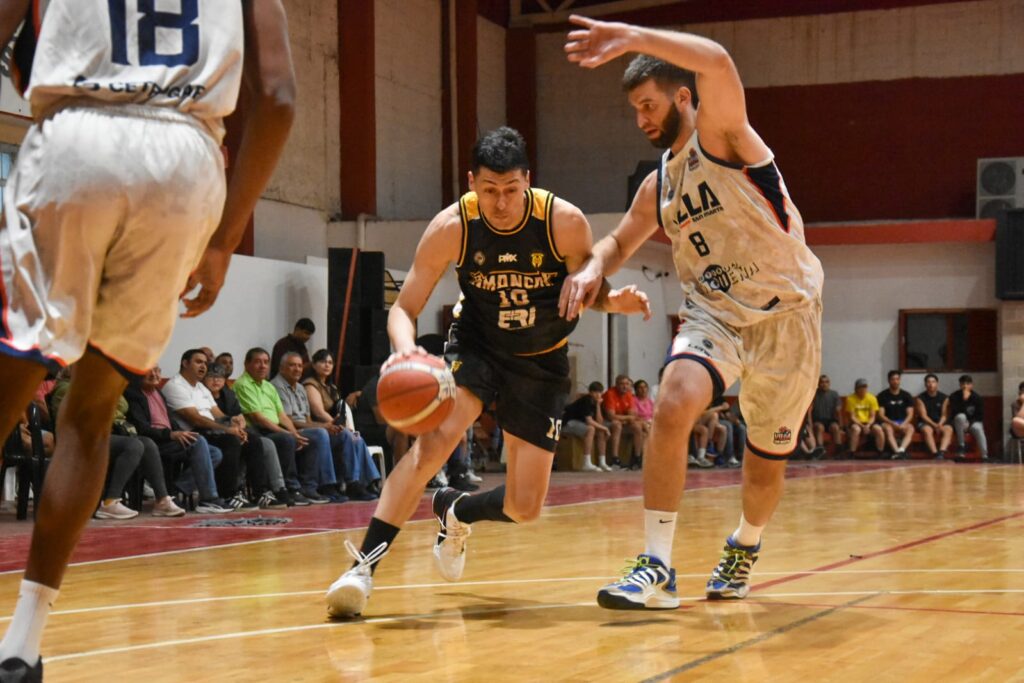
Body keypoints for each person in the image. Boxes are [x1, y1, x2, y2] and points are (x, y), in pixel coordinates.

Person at [0, 1, 294, 677]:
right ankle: (22, 644)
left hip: (77, 136)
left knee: (9, 385)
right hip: (185, 164)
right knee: (91, 411)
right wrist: (224, 239)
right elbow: (278, 99)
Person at [324, 126, 651, 618]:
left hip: (541, 358)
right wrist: (406, 352)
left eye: (511, 190)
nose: (500, 203)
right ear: (472, 182)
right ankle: (361, 569)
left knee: (525, 506)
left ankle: (455, 508)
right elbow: (404, 307)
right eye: (490, 190)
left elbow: (588, 288)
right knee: (432, 445)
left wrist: (614, 301)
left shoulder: (563, 222)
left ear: (528, 181)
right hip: (478, 347)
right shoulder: (451, 227)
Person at [560, 17, 824, 609]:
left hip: (787, 317)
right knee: (674, 400)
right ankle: (657, 565)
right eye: (634, 110)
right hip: (714, 316)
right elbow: (619, 241)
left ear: (683, 96)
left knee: (764, 468)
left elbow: (719, 61)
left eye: (649, 105)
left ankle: (745, 543)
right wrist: (591, 268)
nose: (641, 119)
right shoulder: (658, 184)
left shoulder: (725, 136)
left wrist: (631, 38)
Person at [163, 349, 282, 509]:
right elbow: (195, 419)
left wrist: (233, 421)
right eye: (198, 362)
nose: (203, 366)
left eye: (205, 363)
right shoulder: (175, 386)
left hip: (210, 431)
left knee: (252, 439)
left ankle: (260, 493)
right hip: (192, 433)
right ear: (185, 363)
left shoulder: (200, 387)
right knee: (230, 441)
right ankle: (229, 494)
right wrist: (227, 430)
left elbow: (218, 414)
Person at [235, 348, 327, 504]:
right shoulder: (243, 384)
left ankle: (308, 487)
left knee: (311, 437)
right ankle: (289, 487)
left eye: (266, 362)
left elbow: (282, 415)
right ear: (246, 364)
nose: (263, 366)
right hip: (257, 431)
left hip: (274, 428)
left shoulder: (268, 386)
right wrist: (288, 434)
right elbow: (258, 418)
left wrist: (295, 433)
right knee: (286, 440)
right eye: (258, 362)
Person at [203, 363, 295, 507]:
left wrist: (240, 428)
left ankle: (261, 492)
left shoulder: (229, 394)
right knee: (234, 442)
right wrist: (233, 429)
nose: (216, 380)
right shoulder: (202, 394)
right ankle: (232, 493)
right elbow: (210, 419)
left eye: (220, 377)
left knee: (254, 441)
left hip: (233, 431)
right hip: (213, 433)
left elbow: (238, 416)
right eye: (211, 377)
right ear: (203, 378)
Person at [303, 349, 382, 497]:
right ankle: (352, 482)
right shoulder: (310, 385)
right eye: (323, 362)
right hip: (322, 428)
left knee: (357, 437)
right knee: (348, 435)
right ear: (313, 365)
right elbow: (319, 412)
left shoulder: (331, 387)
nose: (327, 365)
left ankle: (369, 482)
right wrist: (340, 427)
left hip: (336, 428)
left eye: (330, 362)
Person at [561, 381, 611, 472]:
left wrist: (598, 405)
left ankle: (602, 462)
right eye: (595, 392)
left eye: (599, 392)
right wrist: (605, 428)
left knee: (601, 431)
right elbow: (589, 421)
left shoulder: (597, 402)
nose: (597, 395)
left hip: (579, 423)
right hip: (567, 422)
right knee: (591, 429)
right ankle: (586, 463)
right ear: (590, 392)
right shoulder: (586, 400)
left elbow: (599, 421)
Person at [602, 375, 646, 468]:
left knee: (637, 426)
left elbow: (632, 414)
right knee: (617, 425)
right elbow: (611, 416)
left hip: (622, 420)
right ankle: (615, 459)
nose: (625, 386)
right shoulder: (610, 394)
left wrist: (628, 418)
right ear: (616, 385)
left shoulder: (628, 394)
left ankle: (637, 459)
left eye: (627, 384)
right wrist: (628, 418)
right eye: (622, 384)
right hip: (605, 420)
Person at [876, 370, 915, 459]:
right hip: (888, 422)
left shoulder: (906, 395)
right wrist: (892, 423)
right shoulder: (882, 395)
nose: (895, 381)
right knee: (888, 429)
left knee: (910, 428)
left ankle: (901, 450)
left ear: (900, 380)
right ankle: (897, 451)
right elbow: (881, 415)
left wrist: (904, 424)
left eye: (897, 379)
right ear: (889, 381)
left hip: (902, 422)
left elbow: (910, 414)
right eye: (893, 379)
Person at [948, 374, 988, 462]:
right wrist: (964, 400)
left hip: (973, 422)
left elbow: (980, 415)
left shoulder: (977, 397)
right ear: (960, 385)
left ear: (971, 385)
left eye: (967, 384)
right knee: (960, 416)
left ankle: (984, 455)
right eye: (963, 384)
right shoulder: (954, 396)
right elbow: (954, 412)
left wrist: (970, 424)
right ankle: (961, 446)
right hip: (959, 423)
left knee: (978, 428)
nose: (965, 386)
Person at [915, 373, 953, 460]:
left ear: (937, 383)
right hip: (926, 422)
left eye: (933, 382)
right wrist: (934, 425)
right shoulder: (920, 398)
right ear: (925, 384)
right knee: (927, 430)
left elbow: (944, 415)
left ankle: (941, 452)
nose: (931, 384)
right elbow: (923, 416)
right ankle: (935, 453)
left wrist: (939, 424)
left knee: (949, 429)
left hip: (940, 422)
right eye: (928, 382)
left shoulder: (944, 397)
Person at [845, 379, 884, 454]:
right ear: (856, 388)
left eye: (865, 387)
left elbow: (873, 416)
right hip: (856, 422)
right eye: (861, 387)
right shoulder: (850, 399)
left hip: (869, 422)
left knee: (878, 429)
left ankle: (880, 452)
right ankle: (852, 452)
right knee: (856, 429)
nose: (863, 389)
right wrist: (862, 426)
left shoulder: (872, 398)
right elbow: (852, 417)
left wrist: (868, 425)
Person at [811, 375, 843, 455]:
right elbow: (809, 412)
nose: (824, 384)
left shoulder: (834, 394)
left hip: (830, 420)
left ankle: (839, 451)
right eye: (822, 382)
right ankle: (821, 451)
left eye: (826, 382)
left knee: (835, 427)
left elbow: (838, 411)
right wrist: (810, 425)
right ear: (818, 384)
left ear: (829, 383)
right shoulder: (813, 394)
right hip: (818, 420)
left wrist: (841, 426)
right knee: (819, 427)